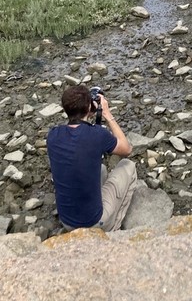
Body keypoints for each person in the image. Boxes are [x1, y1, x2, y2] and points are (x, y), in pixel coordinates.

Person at [46, 84, 137, 231]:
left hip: (67, 222)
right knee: (128, 165)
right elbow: (127, 149)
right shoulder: (96, 135)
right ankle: (112, 228)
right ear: (89, 108)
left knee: (101, 169)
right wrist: (106, 114)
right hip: (94, 222)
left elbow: (78, 148)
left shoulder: (53, 135)